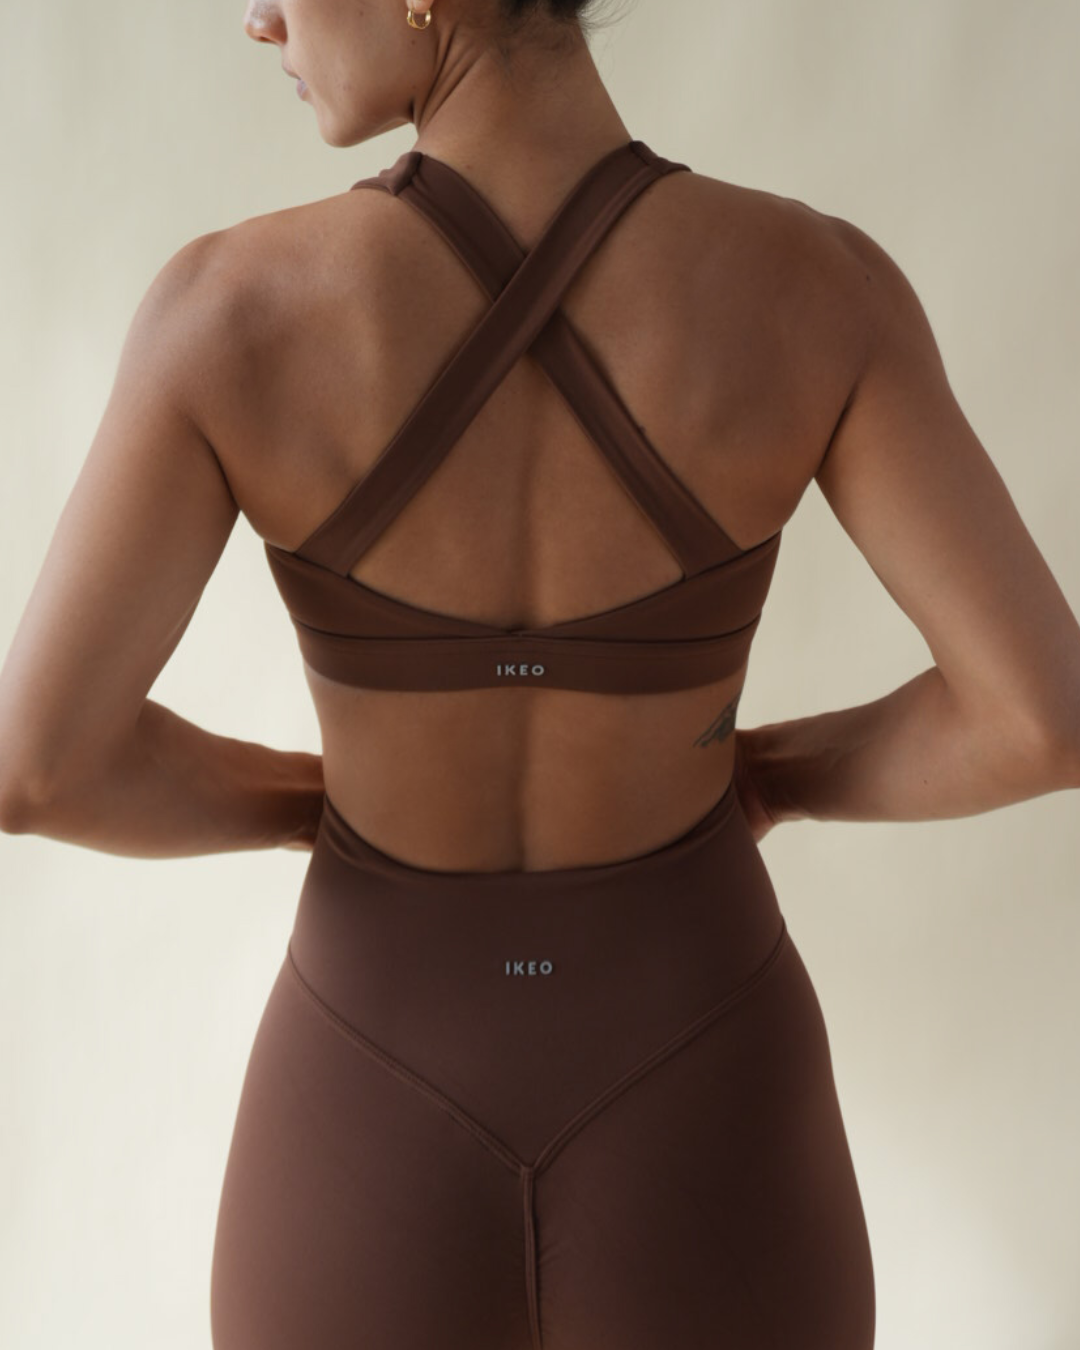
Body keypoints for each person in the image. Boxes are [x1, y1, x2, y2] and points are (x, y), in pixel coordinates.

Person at [1, 1, 1078, 1347]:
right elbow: (1039, 719)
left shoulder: (227, 313)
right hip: (708, 1079)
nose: (261, 17)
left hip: (362, 1097)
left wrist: (323, 808)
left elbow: (39, 767)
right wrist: (765, 779)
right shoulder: (817, 286)